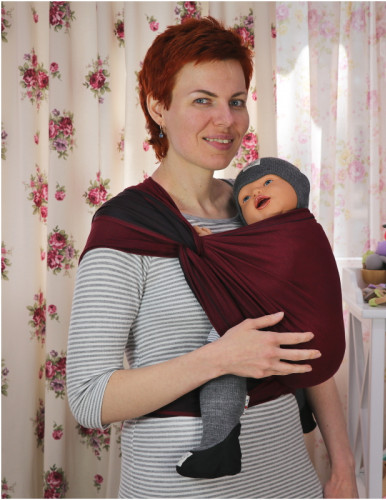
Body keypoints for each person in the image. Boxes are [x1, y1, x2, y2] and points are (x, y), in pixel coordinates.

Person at [67, 17, 358, 499]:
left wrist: (343, 465)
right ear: (158, 107)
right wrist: (220, 358)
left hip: (288, 478)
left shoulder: (260, 211)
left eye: (236, 101)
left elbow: (305, 335)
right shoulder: (126, 228)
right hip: (181, 487)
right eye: (202, 100)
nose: (226, 120)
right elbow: (88, 397)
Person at [176, 157, 347, 480]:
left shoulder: (300, 232)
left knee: (223, 346)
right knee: (252, 346)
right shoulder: (274, 235)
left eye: (268, 182)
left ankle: (220, 441)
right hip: (308, 348)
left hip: (311, 343)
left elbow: (260, 268)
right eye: (244, 197)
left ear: (298, 189)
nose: (255, 192)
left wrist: (208, 246)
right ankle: (300, 406)